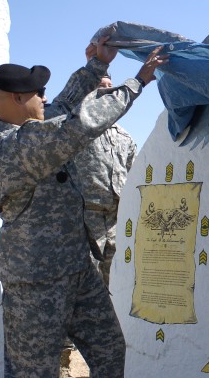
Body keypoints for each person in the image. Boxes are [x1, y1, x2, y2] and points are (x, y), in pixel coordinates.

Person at [0, 37, 167, 377]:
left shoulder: (33, 126)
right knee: (33, 372)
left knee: (112, 353)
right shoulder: (12, 147)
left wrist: (97, 64)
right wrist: (138, 82)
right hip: (36, 285)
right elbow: (79, 123)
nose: (45, 98)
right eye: (39, 93)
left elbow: (67, 102)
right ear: (18, 99)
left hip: (77, 270)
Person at [72, 68, 137, 288]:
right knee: (87, 285)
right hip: (83, 222)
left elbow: (134, 174)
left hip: (117, 222)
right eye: (100, 87)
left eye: (110, 87)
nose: (107, 91)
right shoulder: (75, 129)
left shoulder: (124, 136)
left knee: (118, 283)